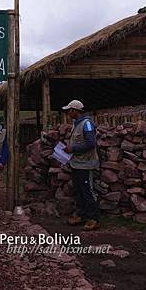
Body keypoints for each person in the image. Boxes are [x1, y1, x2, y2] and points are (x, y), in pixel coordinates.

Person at [63, 99, 100, 231]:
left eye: (69, 110)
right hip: (77, 163)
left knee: (87, 191)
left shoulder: (87, 124)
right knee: (78, 190)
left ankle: (93, 218)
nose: (68, 113)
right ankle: (81, 215)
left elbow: (91, 143)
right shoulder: (76, 123)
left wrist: (72, 149)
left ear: (75, 111)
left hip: (86, 164)